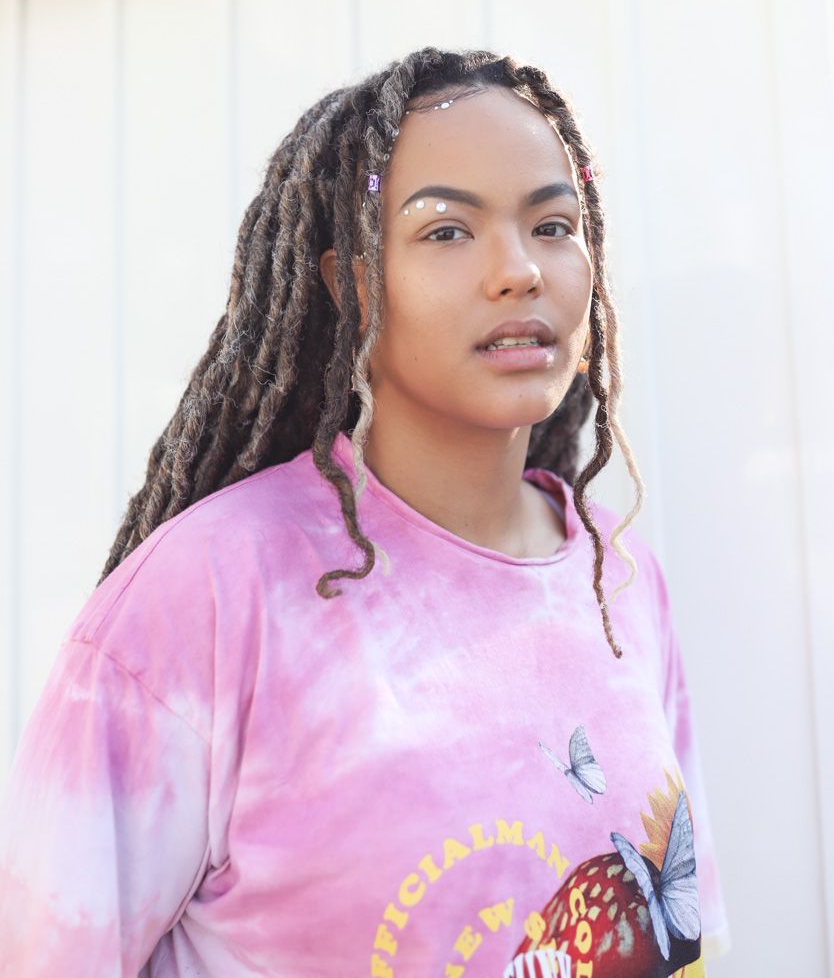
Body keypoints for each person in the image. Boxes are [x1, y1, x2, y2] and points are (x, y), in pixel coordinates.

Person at [0, 47, 730, 976]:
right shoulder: (209, 593)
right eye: (446, 231)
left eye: (554, 225)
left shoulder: (618, 579)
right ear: (350, 285)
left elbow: (683, 936)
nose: (519, 271)